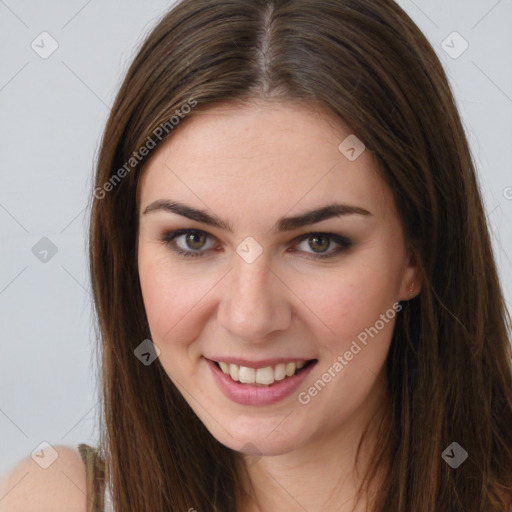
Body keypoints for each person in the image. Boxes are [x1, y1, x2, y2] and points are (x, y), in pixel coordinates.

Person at [2, 0, 511, 511]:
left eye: (318, 242)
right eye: (193, 240)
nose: (250, 319)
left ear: (416, 257)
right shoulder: (53, 498)